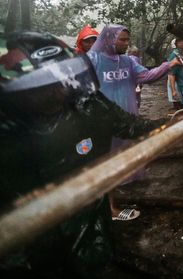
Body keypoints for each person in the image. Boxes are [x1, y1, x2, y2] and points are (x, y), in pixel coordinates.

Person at [0, 31, 161, 277]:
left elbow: (130, 125)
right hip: (33, 253)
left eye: (61, 77)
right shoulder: (7, 134)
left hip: (92, 233)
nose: (58, 90)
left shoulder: (88, 104)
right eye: (41, 86)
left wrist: (171, 123)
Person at [87, 24, 179, 220]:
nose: (127, 44)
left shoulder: (128, 62)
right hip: (103, 120)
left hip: (127, 119)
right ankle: (110, 210)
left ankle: (113, 202)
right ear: (109, 40)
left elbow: (146, 76)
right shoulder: (93, 60)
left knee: (124, 155)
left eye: (128, 40)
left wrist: (167, 65)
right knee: (105, 160)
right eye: (123, 39)